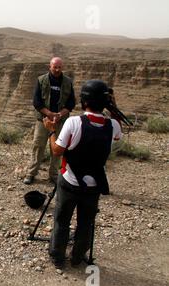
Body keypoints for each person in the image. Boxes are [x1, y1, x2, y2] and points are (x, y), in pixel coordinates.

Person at [42, 79, 123, 269]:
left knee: (62, 220)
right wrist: (113, 106)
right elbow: (118, 133)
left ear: (84, 101)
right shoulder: (113, 126)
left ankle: (57, 256)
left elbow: (56, 150)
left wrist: (52, 131)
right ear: (105, 102)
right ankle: (78, 257)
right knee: (86, 223)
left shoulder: (74, 122)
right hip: (94, 184)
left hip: (69, 181)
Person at [24, 57, 76, 185]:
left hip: (60, 121)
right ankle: (31, 173)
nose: (57, 69)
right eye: (55, 67)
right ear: (50, 67)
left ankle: (53, 175)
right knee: (38, 146)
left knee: (57, 149)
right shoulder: (41, 80)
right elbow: (36, 101)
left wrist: (60, 114)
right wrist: (49, 114)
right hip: (44, 120)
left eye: (59, 67)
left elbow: (71, 102)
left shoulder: (68, 82)